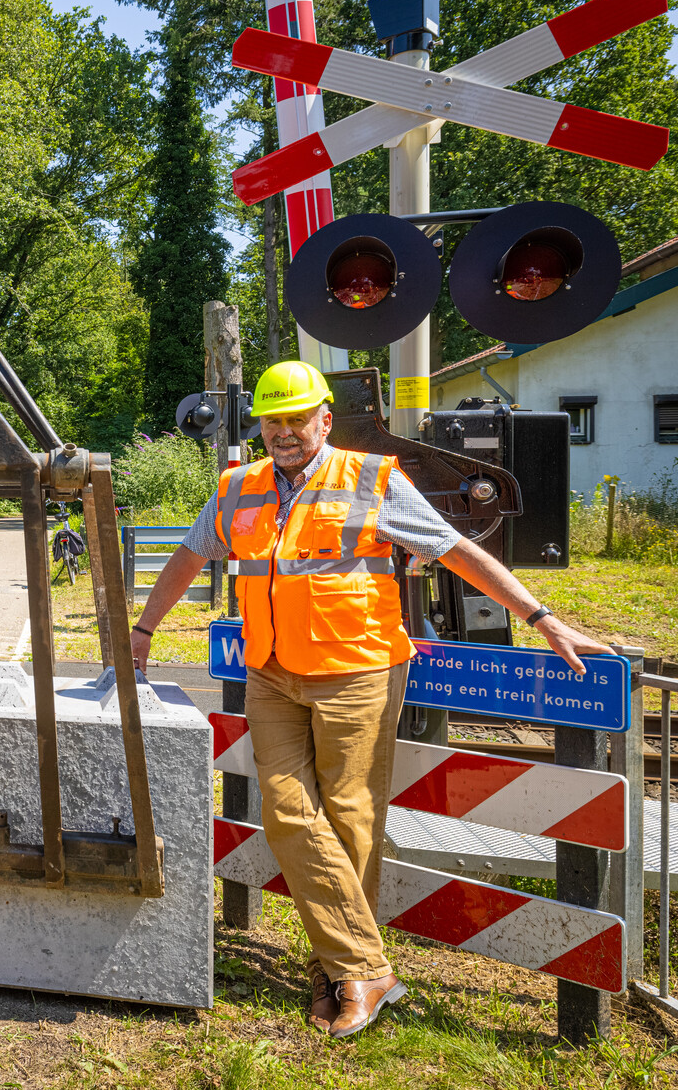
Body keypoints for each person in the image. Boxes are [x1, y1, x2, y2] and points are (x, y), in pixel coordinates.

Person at [132, 361, 608, 1038]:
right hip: (272, 672)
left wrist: (540, 617)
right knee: (288, 812)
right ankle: (365, 964)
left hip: (357, 671)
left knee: (351, 816)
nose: (286, 432)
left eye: (299, 418)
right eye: (274, 420)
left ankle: (338, 969)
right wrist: (145, 627)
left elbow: (455, 551)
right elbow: (186, 554)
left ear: (325, 418)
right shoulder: (237, 487)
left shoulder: (371, 478)